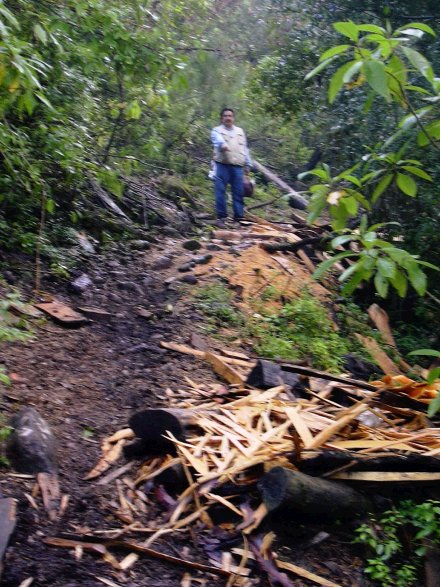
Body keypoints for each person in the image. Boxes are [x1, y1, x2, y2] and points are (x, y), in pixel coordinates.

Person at [211, 108, 252, 226]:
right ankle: (221, 218)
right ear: (222, 118)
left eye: (230, 116)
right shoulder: (217, 130)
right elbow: (217, 140)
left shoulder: (240, 131)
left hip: (237, 167)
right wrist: (222, 144)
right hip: (222, 165)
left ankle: (239, 218)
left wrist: (248, 163)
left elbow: (245, 148)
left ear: (233, 118)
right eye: (225, 116)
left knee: (238, 192)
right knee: (220, 191)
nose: (228, 118)